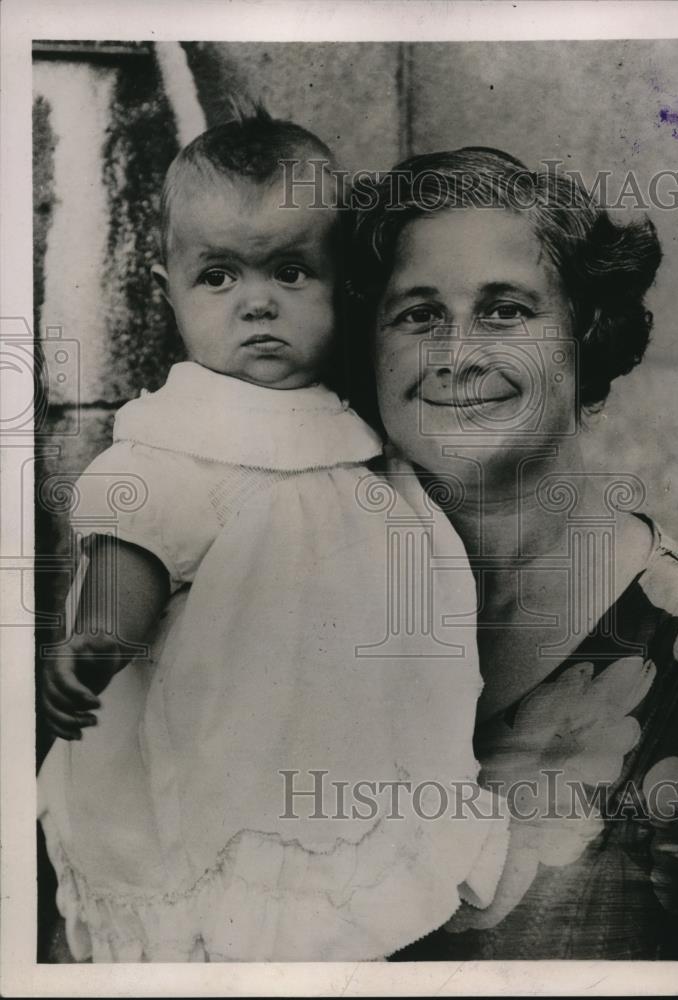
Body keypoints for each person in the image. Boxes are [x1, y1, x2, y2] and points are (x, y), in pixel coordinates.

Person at [37, 116, 509, 963]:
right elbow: (134, 545)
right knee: (246, 901)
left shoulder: (351, 428)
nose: (257, 302)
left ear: (345, 287)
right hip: (238, 761)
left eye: (292, 271)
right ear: (166, 289)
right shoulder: (177, 441)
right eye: (217, 276)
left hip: (335, 734)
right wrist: (99, 640)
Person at [349, 147, 678, 960]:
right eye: (417, 313)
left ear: (588, 336)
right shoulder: (288, 619)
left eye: (506, 311)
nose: (457, 351)